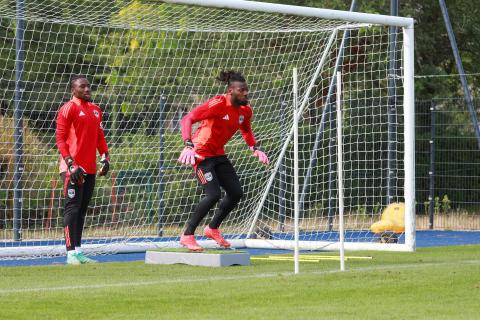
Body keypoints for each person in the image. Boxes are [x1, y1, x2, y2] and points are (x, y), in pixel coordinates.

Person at [177, 70, 269, 251]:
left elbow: (246, 130)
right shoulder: (218, 103)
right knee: (213, 195)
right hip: (201, 155)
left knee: (236, 193)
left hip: (218, 155)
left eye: (246, 89)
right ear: (230, 91)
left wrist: (255, 148)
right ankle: (187, 235)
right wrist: (188, 144)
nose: (245, 93)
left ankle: (212, 229)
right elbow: (188, 118)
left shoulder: (245, 110)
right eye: (241, 90)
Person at [56, 75, 110, 264]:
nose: (87, 89)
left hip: (90, 168)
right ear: (73, 90)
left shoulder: (96, 110)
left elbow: (99, 137)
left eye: (88, 86)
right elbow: (60, 139)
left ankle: (78, 250)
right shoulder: (68, 108)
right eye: (82, 87)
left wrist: (105, 156)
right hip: (72, 168)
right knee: (72, 208)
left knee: (82, 210)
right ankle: (70, 253)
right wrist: (71, 164)